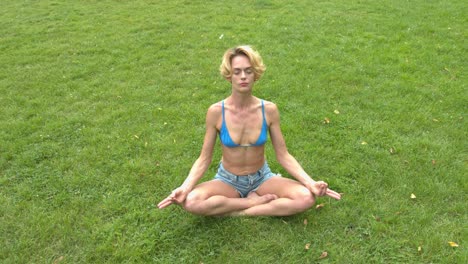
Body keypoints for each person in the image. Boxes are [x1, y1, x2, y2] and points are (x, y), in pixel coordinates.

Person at [158, 45, 341, 216]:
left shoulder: (269, 110)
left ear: (256, 74)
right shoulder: (216, 112)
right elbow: (204, 158)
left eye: (248, 71)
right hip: (228, 180)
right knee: (191, 201)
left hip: (262, 179)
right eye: (237, 72)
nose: (243, 76)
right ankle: (252, 204)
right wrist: (185, 187)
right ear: (229, 76)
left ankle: (236, 212)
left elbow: (283, 155)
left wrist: (311, 183)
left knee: (306, 198)